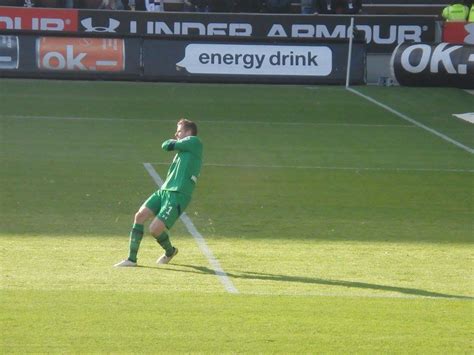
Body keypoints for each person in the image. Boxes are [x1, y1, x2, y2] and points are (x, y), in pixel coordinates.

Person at [114, 119, 203, 267]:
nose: (176, 133)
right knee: (140, 216)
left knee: (154, 230)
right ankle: (131, 259)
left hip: (178, 194)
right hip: (164, 191)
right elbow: (167, 145)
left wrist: (171, 142)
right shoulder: (184, 149)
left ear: (188, 132)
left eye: (179, 130)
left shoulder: (194, 142)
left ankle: (170, 251)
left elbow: (166, 145)